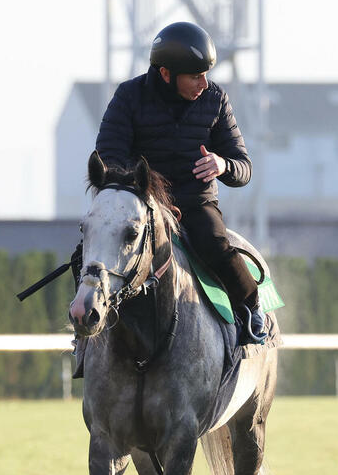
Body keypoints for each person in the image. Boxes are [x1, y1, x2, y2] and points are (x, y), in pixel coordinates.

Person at [94, 21, 266, 342]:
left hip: (196, 206)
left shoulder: (215, 98)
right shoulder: (128, 96)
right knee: (90, 249)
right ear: (165, 74)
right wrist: (147, 194)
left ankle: (253, 312)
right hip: (143, 207)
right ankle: (85, 333)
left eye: (205, 74)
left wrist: (222, 164)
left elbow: (244, 167)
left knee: (216, 245)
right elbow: (109, 156)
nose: (204, 82)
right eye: (195, 76)